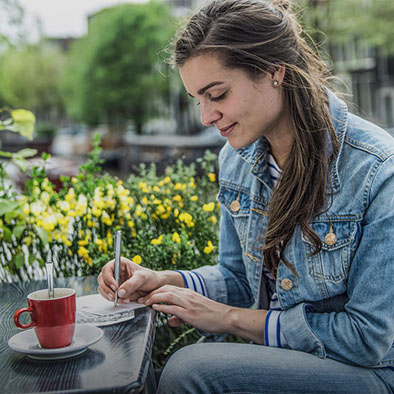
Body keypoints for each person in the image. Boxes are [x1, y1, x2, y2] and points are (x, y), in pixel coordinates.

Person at [98, 0, 394, 392]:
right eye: (197, 100)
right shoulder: (237, 157)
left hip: (368, 371)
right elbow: (240, 277)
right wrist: (170, 282)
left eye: (217, 95)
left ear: (274, 72)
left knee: (190, 369)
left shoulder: (376, 170)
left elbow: (368, 338)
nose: (206, 117)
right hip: (292, 358)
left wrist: (228, 318)